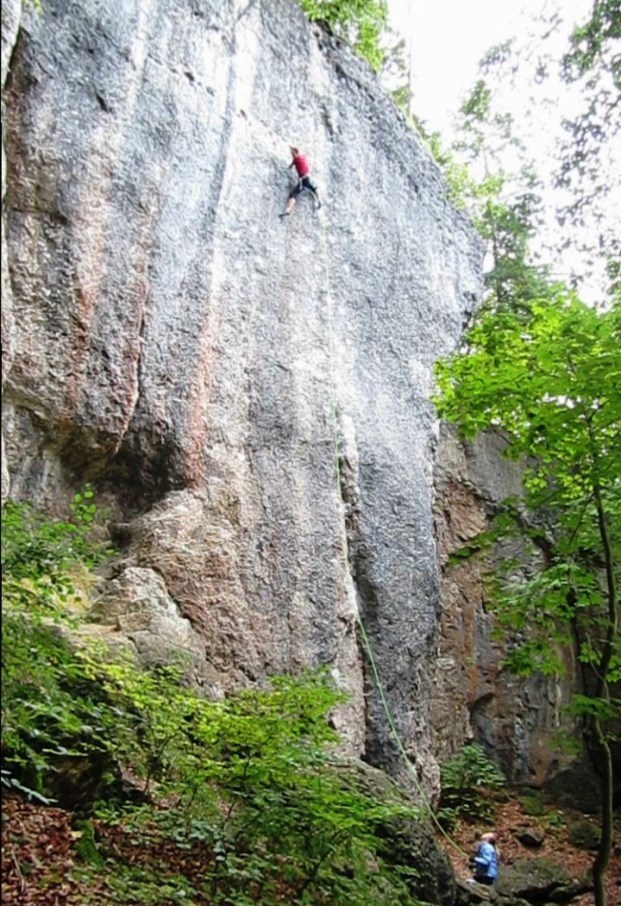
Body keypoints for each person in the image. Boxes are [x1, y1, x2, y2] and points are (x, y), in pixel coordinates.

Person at [279, 146, 322, 218]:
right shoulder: (303, 157)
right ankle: (319, 200)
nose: (291, 155)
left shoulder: (295, 159)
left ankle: (288, 210)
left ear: (295, 153)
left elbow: (290, 166)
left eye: (292, 153)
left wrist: (291, 165)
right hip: (308, 178)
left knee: (293, 194)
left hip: (303, 180)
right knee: (315, 188)